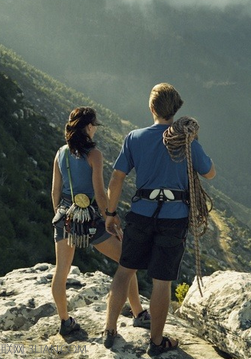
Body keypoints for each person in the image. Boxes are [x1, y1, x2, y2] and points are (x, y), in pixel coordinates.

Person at [102, 83, 215, 355]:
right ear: (175, 109)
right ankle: (156, 342)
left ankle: (109, 330)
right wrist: (194, 141)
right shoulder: (185, 141)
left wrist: (110, 212)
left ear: (151, 108)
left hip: (141, 213)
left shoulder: (134, 138)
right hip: (173, 217)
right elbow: (209, 173)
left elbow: (117, 178)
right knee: (162, 280)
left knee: (125, 270)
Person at [51, 107, 151, 336]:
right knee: (127, 260)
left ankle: (65, 322)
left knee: (61, 272)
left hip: (65, 217)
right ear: (88, 127)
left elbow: (55, 191)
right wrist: (110, 217)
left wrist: (61, 216)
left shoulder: (60, 153)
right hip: (91, 219)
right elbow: (98, 191)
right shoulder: (94, 154)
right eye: (95, 125)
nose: (96, 129)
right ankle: (138, 314)